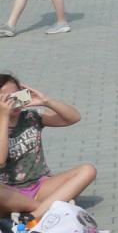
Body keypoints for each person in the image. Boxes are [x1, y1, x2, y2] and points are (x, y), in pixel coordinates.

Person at [0, 74, 97, 218]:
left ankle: (35, 214)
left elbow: (73, 118)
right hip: (10, 192)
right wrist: (4, 117)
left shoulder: (30, 117)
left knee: (88, 170)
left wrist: (46, 101)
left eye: (17, 95)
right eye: (6, 99)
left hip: (41, 185)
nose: (13, 102)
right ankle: (50, 206)